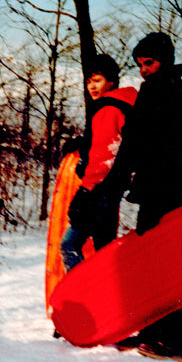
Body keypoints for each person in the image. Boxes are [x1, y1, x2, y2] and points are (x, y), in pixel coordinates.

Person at [113, 33, 182, 361]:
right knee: (151, 263)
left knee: (164, 264)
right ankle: (152, 332)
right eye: (139, 65)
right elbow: (136, 139)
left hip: (162, 187)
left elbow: (146, 141)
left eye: (148, 63)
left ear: (163, 60)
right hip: (156, 185)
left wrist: (146, 163)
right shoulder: (165, 90)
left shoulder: (170, 91)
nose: (143, 70)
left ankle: (175, 341)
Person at [59, 54, 137, 271]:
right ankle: (109, 300)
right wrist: (83, 143)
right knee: (104, 251)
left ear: (111, 82)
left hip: (98, 191)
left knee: (70, 245)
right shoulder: (123, 105)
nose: (92, 86)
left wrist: (84, 193)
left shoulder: (108, 109)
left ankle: (84, 299)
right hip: (113, 190)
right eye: (89, 81)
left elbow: (104, 157)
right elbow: (110, 143)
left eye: (98, 80)